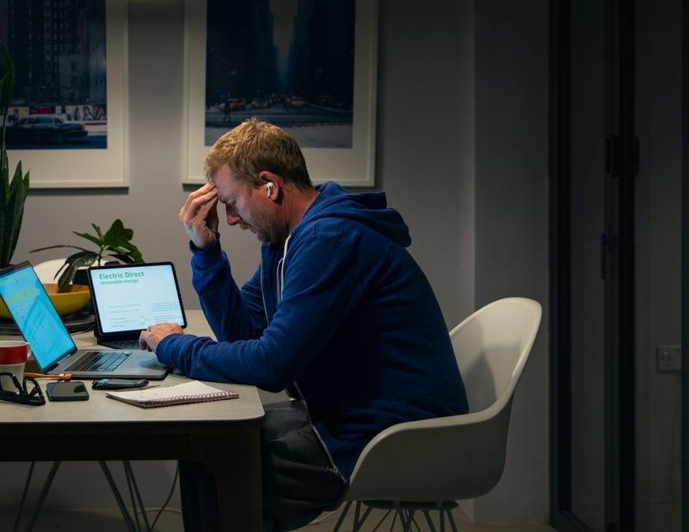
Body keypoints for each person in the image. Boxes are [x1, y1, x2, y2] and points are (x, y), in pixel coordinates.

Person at [139, 118, 468, 532]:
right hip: (345, 412)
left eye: (233, 202)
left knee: (223, 473)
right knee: (202, 450)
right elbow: (243, 337)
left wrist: (174, 346)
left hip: (392, 433)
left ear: (270, 185)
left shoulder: (330, 239)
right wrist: (205, 250)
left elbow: (270, 367)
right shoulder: (286, 243)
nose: (233, 219)